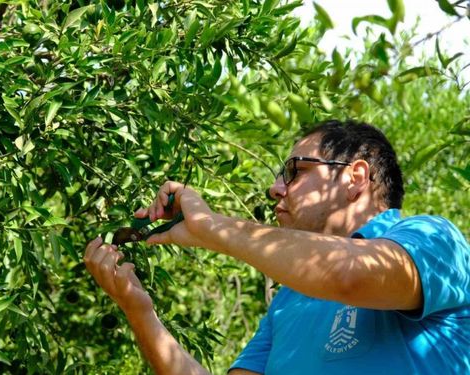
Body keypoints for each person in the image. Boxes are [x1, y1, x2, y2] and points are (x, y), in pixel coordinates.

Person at [83, 120, 470, 374]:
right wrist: (139, 310)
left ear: (355, 177)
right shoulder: (290, 299)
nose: (276, 189)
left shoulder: (434, 239)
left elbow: (348, 275)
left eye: (296, 171)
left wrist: (212, 226)